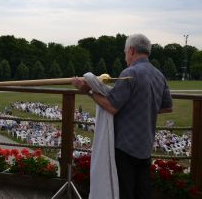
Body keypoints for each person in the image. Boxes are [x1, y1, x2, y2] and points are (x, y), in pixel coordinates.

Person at [72, 34, 173, 199]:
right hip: (146, 144)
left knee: (125, 192)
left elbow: (111, 107)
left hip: (125, 146)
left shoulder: (130, 72)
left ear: (132, 50)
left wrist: (88, 90)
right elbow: (167, 107)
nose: (125, 56)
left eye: (125, 52)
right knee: (141, 191)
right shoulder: (159, 75)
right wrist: (143, 107)